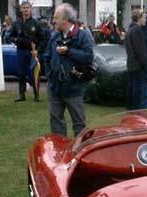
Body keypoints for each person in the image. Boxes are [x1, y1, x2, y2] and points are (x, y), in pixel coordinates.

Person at [43, 3, 94, 136]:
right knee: (56, 121)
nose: (53, 21)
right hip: (55, 87)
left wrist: (69, 51)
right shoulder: (55, 36)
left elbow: (88, 57)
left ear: (65, 19)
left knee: (79, 123)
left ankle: (78, 152)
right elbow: (46, 56)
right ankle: (60, 151)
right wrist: (50, 74)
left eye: (56, 17)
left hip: (73, 88)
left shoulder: (83, 36)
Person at [10, 1, 47, 102]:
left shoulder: (36, 23)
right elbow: (11, 36)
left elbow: (43, 39)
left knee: (35, 73)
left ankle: (37, 95)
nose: (26, 10)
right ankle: (21, 95)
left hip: (33, 52)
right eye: (24, 8)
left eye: (27, 8)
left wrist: (38, 51)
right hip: (21, 51)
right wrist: (16, 40)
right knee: (21, 73)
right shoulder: (16, 23)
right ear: (21, 10)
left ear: (30, 9)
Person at [124, 8, 147, 110]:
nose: (145, 19)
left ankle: (130, 108)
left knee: (131, 87)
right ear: (139, 18)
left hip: (131, 63)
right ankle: (135, 109)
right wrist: (145, 63)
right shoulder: (137, 30)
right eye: (144, 17)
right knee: (137, 89)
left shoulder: (130, 30)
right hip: (137, 64)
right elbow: (140, 50)